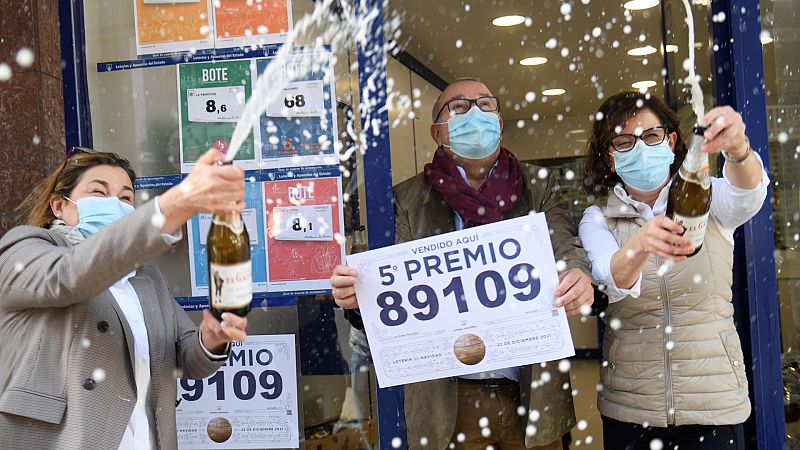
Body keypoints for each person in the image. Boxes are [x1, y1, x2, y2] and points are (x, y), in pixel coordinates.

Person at [331, 78, 594, 450]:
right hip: (448, 400)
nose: (475, 113)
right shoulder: (409, 199)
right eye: (459, 107)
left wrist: (578, 272)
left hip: (529, 390)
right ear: (437, 132)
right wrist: (362, 297)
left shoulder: (537, 185)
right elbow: (392, 289)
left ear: (499, 123)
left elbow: (565, 245)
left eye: (486, 105)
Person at [0, 147, 250, 449]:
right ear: (59, 206)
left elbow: (185, 357)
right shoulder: (25, 249)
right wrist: (177, 203)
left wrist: (212, 338)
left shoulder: (147, 278)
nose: (114, 204)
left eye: (125, 198)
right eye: (99, 192)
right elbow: (71, 276)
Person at [579, 91, 767, 449]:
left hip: (712, 404)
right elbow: (609, 280)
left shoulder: (705, 194)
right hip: (631, 407)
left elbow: (750, 193)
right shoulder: (598, 219)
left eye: (651, 135)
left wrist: (738, 149)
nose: (640, 149)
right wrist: (640, 244)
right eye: (623, 141)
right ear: (609, 155)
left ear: (671, 140)